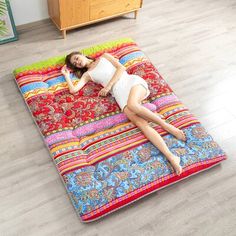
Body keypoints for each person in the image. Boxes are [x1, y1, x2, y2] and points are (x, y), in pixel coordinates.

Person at [61, 51, 187, 175]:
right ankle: (171, 157)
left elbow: (121, 68)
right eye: (75, 64)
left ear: (82, 54)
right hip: (119, 95)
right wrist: (66, 75)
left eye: (76, 58)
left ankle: (166, 126)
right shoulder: (87, 75)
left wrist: (108, 87)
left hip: (130, 82)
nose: (77, 62)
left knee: (133, 105)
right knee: (142, 125)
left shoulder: (104, 56)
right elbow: (73, 90)